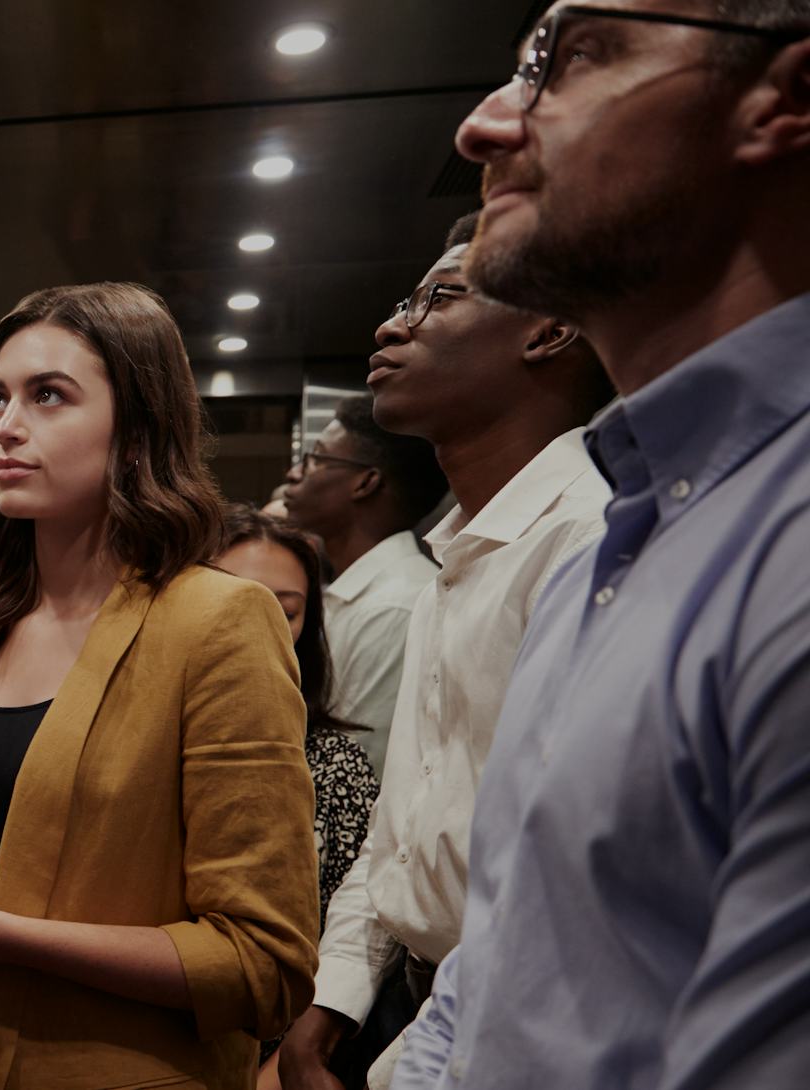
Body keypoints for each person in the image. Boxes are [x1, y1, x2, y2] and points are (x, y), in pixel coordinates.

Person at [391, 3, 810, 1088]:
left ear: (786, 99)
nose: (483, 126)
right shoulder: (611, 547)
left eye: (572, 58)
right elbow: (492, 976)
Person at [0, 283, 320, 1090]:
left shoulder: (218, 622)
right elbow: (1, 863)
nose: (6, 427)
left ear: (135, 433)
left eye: (49, 396)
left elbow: (265, 965)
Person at [279, 213, 612, 1090]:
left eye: (441, 298)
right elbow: (403, 825)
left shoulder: (589, 540)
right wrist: (334, 998)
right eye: (403, 303)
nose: (393, 327)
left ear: (551, 331)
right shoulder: (452, 562)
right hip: (417, 997)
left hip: (521, 1020)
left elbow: (560, 888)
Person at [215, 506, 378, 927]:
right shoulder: (136, 740)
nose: (262, 626)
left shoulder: (336, 764)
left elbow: (349, 923)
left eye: (286, 612)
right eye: (235, 601)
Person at [282, 396, 446, 773]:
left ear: (366, 482)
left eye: (317, 459)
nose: (294, 474)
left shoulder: (394, 606)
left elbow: (359, 766)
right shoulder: (354, 592)